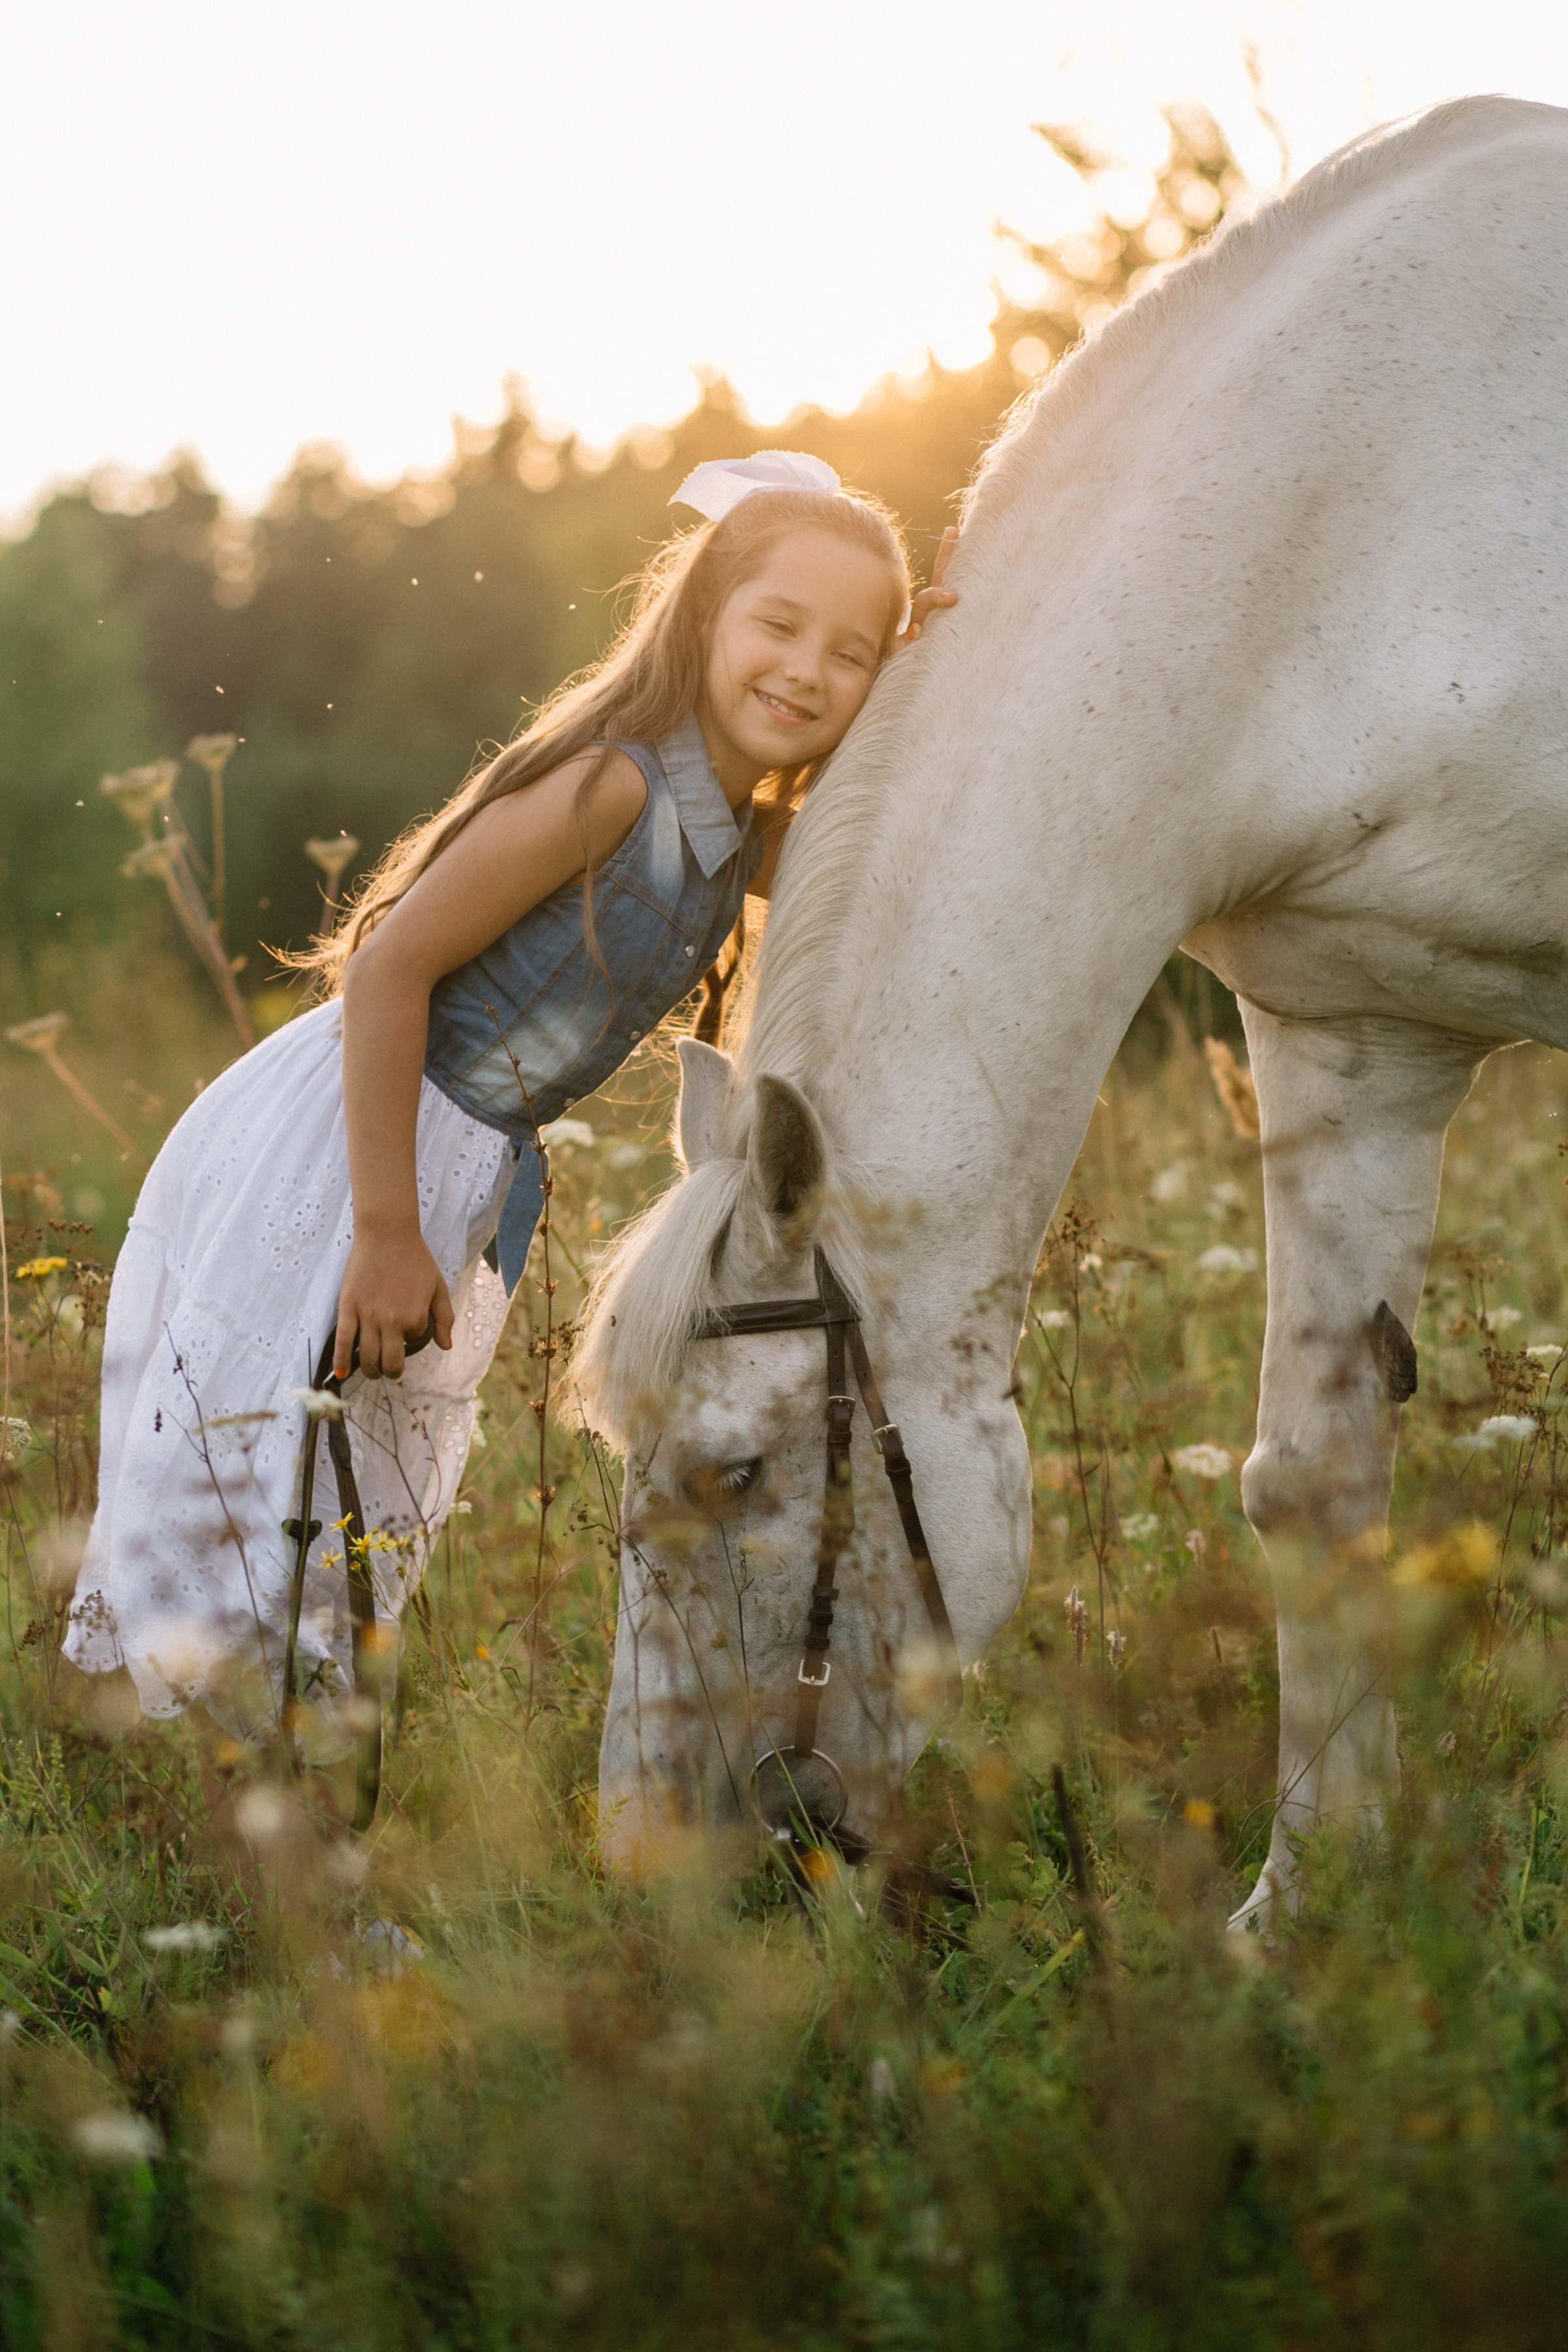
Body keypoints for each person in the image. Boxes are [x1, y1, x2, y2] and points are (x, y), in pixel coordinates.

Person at [65, 453, 958, 1772]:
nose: (807, 672)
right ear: (705, 613)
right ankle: (213, 1806)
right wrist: (381, 1226)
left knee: (348, 1498)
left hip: (460, 1160)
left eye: (852, 653)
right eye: (779, 626)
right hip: (361, 1125)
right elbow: (390, 968)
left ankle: (280, 1807)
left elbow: (867, 841)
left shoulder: (729, 829)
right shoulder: (618, 786)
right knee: (271, 1475)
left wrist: (934, 676)